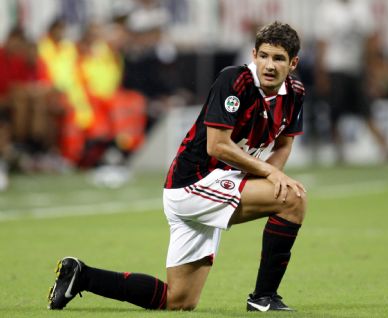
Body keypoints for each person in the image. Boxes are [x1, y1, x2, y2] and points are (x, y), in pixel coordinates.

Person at [47, 21, 307, 312]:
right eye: (264, 56)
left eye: (278, 58)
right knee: (292, 200)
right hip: (194, 183)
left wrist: (271, 176)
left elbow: (284, 142)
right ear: (254, 54)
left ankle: (81, 276)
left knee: (179, 301)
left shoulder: (295, 92)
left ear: (293, 62)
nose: (269, 65)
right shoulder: (235, 80)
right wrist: (271, 175)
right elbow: (217, 146)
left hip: (220, 184)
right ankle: (264, 298)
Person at [315, 0, 388, 163]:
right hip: (335, 66)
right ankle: (339, 151)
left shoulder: (361, 7)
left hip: (355, 67)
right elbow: (322, 42)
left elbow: (370, 39)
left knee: (366, 109)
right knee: (335, 113)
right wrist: (321, 72)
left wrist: (371, 67)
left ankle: (385, 148)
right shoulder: (327, 9)